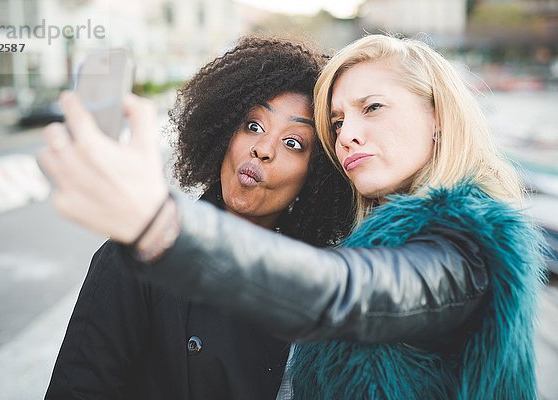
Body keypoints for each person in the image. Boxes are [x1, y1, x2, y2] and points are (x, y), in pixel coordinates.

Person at [39, 34, 547, 399]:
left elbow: (343, 293)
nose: (348, 133)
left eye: (372, 107)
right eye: (338, 121)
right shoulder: (362, 243)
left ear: (438, 117)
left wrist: (159, 225)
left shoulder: (469, 250)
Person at [42, 36, 354, 400]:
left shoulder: (314, 284)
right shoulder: (135, 256)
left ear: (315, 176)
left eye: (293, 143)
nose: (263, 149)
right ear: (223, 131)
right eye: (253, 125)